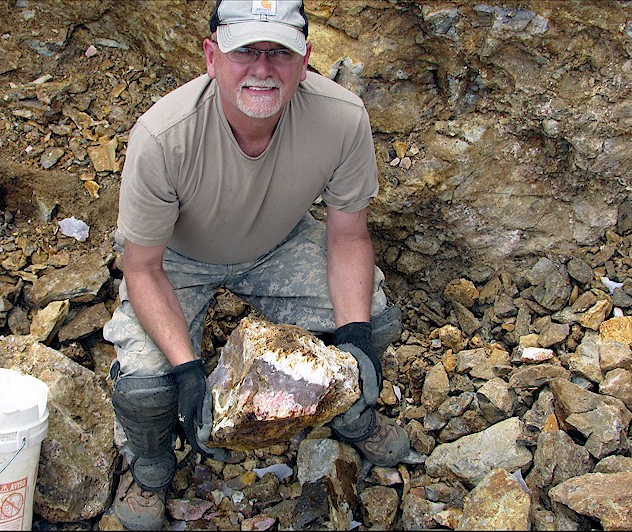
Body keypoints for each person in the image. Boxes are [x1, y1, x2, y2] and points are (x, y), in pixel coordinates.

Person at [102, 1, 409, 529]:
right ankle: (152, 465)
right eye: (245, 50)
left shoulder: (341, 118)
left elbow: (349, 236)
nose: (262, 69)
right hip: (177, 260)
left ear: (306, 58)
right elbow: (142, 267)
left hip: (278, 242)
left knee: (374, 319)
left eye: (280, 52)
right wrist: (187, 369)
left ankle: (350, 410)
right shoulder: (162, 136)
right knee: (146, 385)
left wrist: (355, 339)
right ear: (211, 56)